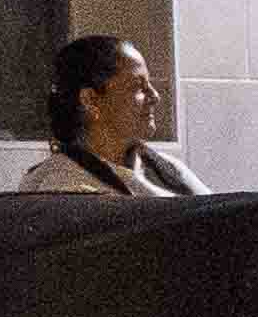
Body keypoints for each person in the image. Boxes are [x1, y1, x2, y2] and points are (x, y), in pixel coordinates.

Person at [13, 35, 204, 199]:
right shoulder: (61, 189)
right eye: (138, 87)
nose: (155, 96)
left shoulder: (170, 170)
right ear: (91, 100)